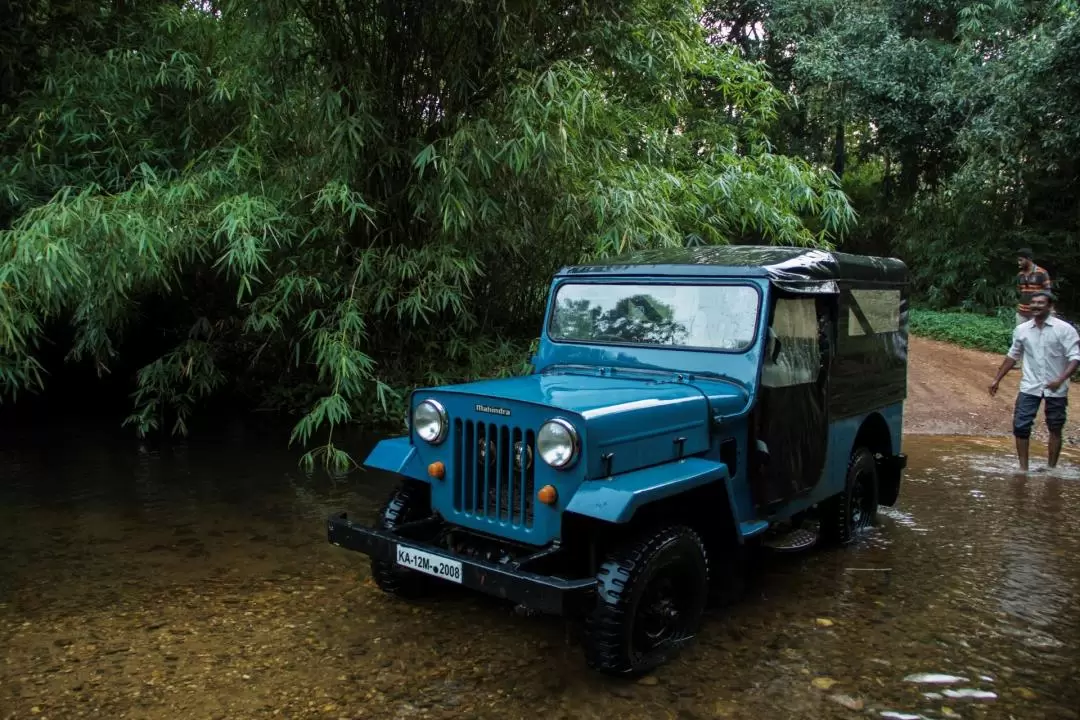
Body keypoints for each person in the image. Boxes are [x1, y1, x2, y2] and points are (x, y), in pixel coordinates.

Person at [989, 291, 1080, 471]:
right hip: (1030, 386)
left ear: (1050, 306)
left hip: (1057, 388)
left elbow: (1075, 358)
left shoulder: (1064, 329)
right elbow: (1013, 356)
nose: (1036, 306)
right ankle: (1023, 469)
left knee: (1055, 426)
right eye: (1034, 303)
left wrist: (1060, 380)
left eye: (1041, 303)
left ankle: (1051, 469)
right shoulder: (1022, 330)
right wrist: (996, 379)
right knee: (1021, 426)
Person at [1015, 248, 1052, 325]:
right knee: (1021, 335)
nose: (1019, 263)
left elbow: (1048, 293)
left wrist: (1049, 310)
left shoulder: (1041, 273)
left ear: (1028, 259)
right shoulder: (1020, 275)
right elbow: (1020, 292)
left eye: (1021, 260)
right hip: (1021, 312)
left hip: (1036, 312)